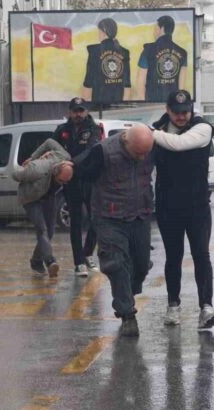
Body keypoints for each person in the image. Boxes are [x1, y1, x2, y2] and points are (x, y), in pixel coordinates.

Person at [73, 124, 155, 337]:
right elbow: (78, 171)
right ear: (126, 141)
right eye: (138, 153)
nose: (142, 157)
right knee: (115, 264)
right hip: (110, 218)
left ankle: (129, 290)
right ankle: (127, 313)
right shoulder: (103, 151)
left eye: (146, 153)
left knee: (142, 264)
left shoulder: (150, 147)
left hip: (140, 215)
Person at [152, 90, 214, 329]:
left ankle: (206, 307)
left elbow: (179, 144)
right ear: (167, 109)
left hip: (197, 205)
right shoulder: (158, 129)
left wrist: (150, 133)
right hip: (168, 205)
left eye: (185, 112)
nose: (182, 117)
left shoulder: (202, 128)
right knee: (174, 257)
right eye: (177, 112)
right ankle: (173, 306)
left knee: (201, 255)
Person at [54, 98, 103, 277]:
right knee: (75, 221)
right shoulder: (62, 130)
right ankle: (78, 262)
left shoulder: (94, 129)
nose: (78, 114)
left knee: (95, 219)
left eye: (81, 111)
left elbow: (91, 150)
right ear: (70, 112)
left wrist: (71, 163)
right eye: (75, 111)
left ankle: (88, 253)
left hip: (89, 178)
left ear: (86, 111)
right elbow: (53, 149)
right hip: (71, 181)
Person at [12, 139, 74, 278]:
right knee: (42, 229)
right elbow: (15, 174)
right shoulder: (37, 169)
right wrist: (31, 161)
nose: (64, 184)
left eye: (66, 182)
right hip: (31, 198)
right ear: (54, 173)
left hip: (48, 196)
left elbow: (50, 142)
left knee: (50, 231)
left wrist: (35, 154)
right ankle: (51, 262)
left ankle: (36, 261)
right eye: (61, 181)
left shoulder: (65, 157)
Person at [136, 15, 188, 102]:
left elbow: (140, 81)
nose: (154, 32)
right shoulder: (183, 53)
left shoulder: (148, 50)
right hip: (172, 104)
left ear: (162, 28)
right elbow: (181, 87)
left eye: (155, 28)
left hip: (151, 103)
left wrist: (143, 102)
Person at [82, 18, 131, 105]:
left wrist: (85, 105)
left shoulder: (94, 51)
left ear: (103, 31)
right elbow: (127, 85)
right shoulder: (124, 52)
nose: (98, 34)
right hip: (117, 105)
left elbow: (88, 83)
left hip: (99, 104)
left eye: (99, 31)